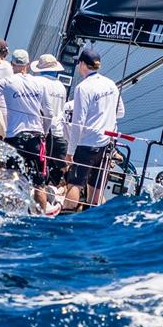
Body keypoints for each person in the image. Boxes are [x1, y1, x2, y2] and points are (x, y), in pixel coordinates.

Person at [0, 49, 60, 216]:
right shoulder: (40, 83)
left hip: (15, 138)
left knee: (14, 179)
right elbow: (49, 113)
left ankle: (15, 215)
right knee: (39, 183)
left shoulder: (7, 82)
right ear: (28, 65)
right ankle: (40, 218)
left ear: (12, 64)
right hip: (36, 138)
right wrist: (43, 131)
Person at [64, 48, 125, 210]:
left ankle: (66, 216)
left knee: (74, 184)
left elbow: (78, 122)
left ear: (83, 64)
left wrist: (70, 152)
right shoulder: (111, 84)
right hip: (105, 145)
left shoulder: (83, 88)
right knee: (96, 188)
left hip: (87, 144)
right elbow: (120, 112)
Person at [30, 54, 68, 189]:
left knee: (37, 168)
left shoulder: (37, 82)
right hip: (58, 133)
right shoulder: (61, 87)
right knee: (56, 170)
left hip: (40, 132)